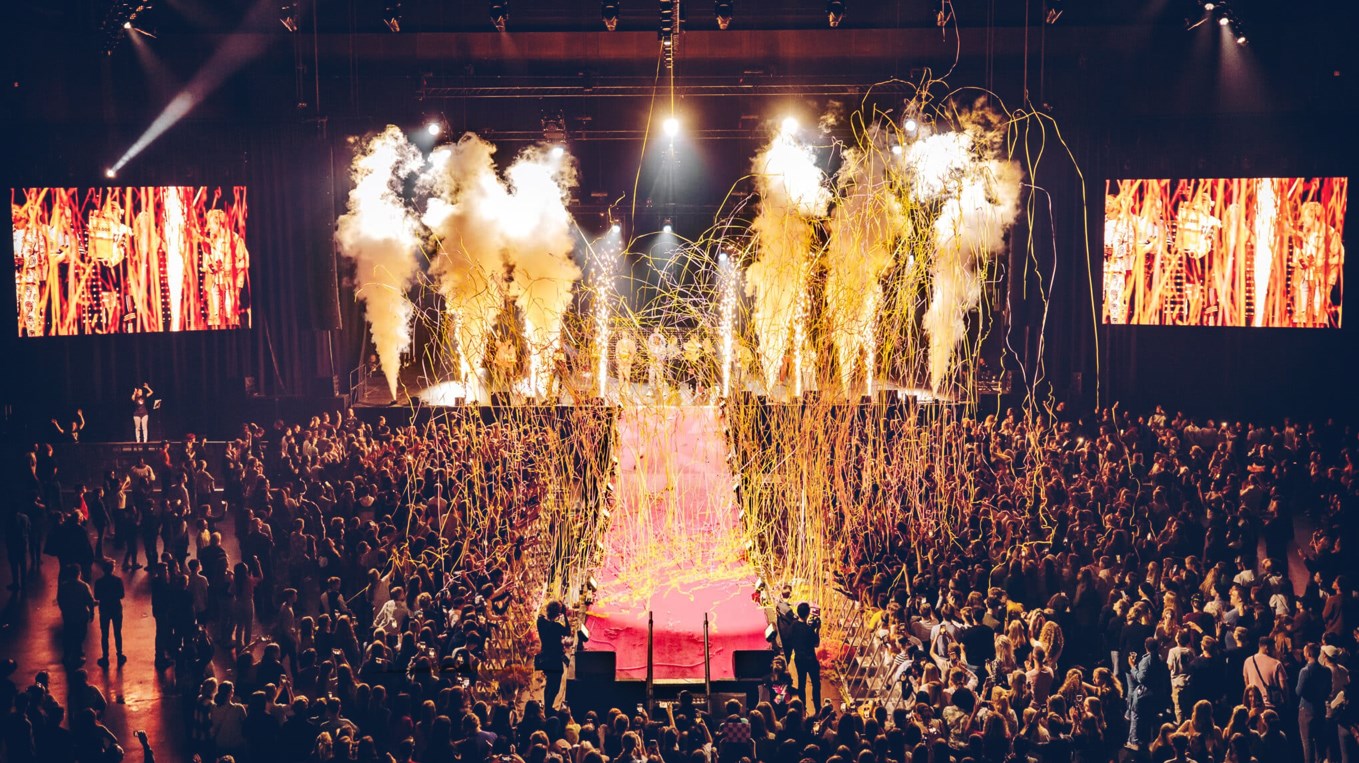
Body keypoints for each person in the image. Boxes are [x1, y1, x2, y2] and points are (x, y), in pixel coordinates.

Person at [1297, 642, 1332, 763]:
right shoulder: (1326, 671)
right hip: (1320, 708)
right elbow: (1328, 689)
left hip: (1307, 710)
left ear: (1308, 653)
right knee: (1319, 741)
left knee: (1307, 743)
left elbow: (1298, 691)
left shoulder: (1305, 671)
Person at [535, 600, 570, 710]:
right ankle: (548, 709)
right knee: (554, 687)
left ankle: (547, 707)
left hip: (545, 657)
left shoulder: (540, 622)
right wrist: (564, 614)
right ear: (558, 614)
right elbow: (568, 632)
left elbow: (542, 615)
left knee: (549, 683)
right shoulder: (556, 626)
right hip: (554, 660)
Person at [788, 602, 822, 711]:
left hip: (799, 659)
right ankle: (817, 708)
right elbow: (816, 644)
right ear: (808, 614)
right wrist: (817, 630)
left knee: (801, 684)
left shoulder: (793, 626)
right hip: (811, 660)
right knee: (816, 684)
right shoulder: (809, 630)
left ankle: (802, 709)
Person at [92, 558, 127, 667]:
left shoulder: (99, 582)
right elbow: (122, 595)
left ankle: (105, 657)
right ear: (113, 569)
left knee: (104, 634)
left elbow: (97, 596)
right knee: (117, 633)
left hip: (104, 609)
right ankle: (119, 655)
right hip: (116, 608)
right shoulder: (118, 580)